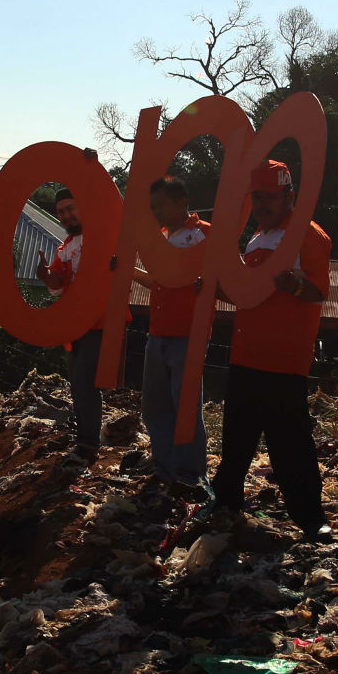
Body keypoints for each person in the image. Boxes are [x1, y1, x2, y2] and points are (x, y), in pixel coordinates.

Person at [209, 160, 334, 542]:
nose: (262, 204)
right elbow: (248, 294)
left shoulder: (309, 235)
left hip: (284, 360)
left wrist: (294, 285)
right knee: (236, 439)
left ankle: (310, 517)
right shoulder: (257, 238)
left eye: (270, 197)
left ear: (289, 196)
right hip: (246, 354)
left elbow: (319, 291)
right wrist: (216, 288)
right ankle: (225, 503)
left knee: (290, 443)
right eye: (257, 197)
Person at [139, 176, 210, 491]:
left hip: (189, 332)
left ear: (181, 202)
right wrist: (126, 270)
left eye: (161, 205)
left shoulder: (204, 234)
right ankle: (165, 468)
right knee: (156, 405)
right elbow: (159, 280)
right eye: (152, 207)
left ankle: (190, 473)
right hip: (157, 331)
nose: (156, 212)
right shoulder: (160, 237)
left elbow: (220, 277)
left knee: (186, 406)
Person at [36, 187, 107, 453]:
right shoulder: (64, 249)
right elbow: (56, 287)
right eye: (61, 212)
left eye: (70, 209)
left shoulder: (102, 237)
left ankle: (88, 443)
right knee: (77, 383)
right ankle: (84, 437)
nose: (66, 216)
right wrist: (46, 275)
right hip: (74, 325)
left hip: (99, 322)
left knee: (86, 381)